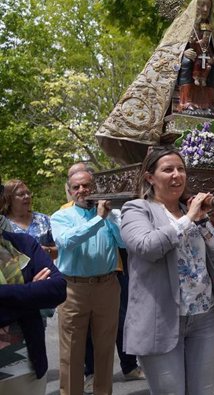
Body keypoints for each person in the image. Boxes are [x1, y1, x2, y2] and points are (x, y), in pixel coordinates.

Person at [96, 0, 214, 165]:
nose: (205, 10)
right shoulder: (180, 33)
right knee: (186, 71)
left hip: (206, 74)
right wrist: (185, 56)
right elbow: (167, 64)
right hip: (185, 80)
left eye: (209, 6)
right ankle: (186, 104)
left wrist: (213, 62)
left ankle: (205, 107)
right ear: (194, 7)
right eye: (201, 5)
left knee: (211, 78)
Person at [119, 146, 214, 394]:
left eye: (181, 169)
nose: (176, 175)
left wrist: (201, 221)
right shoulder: (137, 209)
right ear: (150, 177)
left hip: (205, 317)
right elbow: (147, 247)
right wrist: (187, 219)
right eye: (167, 169)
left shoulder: (191, 213)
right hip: (162, 320)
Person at [51, 168, 125, 395]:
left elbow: (125, 242)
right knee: (72, 352)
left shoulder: (111, 214)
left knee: (105, 349)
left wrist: (110, 216)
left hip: (107, 286)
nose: (82, 190)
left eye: (87, 185)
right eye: (77, 187)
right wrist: (98, 219)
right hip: (74, 289)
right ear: (70, 191)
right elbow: (66, 241)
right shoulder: (61, 216)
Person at [0, 229, 66, 395]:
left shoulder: (22, 244)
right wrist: (31, 295)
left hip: (27, 371)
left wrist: (8, 297)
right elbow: (39, 295)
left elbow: (58, 289)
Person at [1, 180, 56, 259]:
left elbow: (60, 250)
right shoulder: (3, 224)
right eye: (21, 194)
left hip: (46, 269)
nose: (27, 196)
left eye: (28, 193)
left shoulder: (43, 219)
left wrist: (48, 250)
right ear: (9, 199)